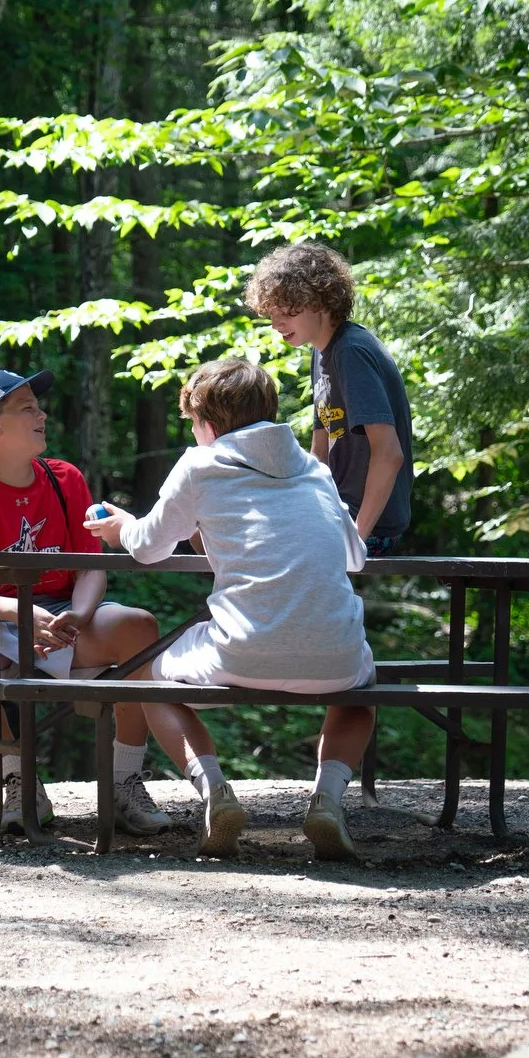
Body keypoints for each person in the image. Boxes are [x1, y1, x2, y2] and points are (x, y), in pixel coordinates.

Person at [85, 358, 376, 862]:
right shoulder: (316, 469)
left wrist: (121, 528)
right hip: (335, 656)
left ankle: (216, 793)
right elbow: (355, 556)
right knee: (359, 693)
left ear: (209, 425)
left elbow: (149, 547)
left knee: (148, 677)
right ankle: (327, 801)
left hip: (240, 650)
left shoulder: (201, 463)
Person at [0, 369, 181, 840]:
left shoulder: (65, 479)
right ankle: (18, 780)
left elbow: (91, 568)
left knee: (138, 625)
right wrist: (20, 616)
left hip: (61, 613)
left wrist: (77, 617)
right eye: (27, 408)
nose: (42, 414)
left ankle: (124, 781)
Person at [245, 241, 415, 556]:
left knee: (251, 543)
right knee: (227, 521)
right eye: (272, 312)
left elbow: (390, 454)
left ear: (321, 301)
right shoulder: (321, 353)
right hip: (334, 512)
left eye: (287, 311)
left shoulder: (351, 351)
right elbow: (319, 453)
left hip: (368, 526)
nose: (276, 323)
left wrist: (355, 541)